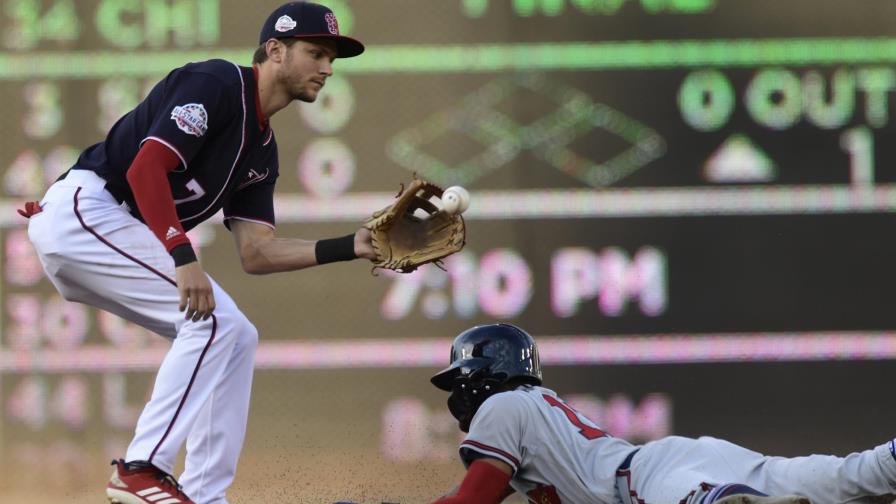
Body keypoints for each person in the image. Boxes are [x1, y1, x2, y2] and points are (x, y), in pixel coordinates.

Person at [21, 2, 371, 503]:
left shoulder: (262, 150)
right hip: (86, 211)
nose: (327, 68)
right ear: (275, 50)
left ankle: (205, 495)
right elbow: (147, 170)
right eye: (315, 52)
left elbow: (258, 252)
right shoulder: (219, 84)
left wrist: (352, 247)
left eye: (332, 58)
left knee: (237, 335)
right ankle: (141, 468)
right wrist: (184, 257)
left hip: (109, 230)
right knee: (214, 323)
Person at [428, 323, 896, 504]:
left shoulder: (502, 405)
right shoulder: (531, 410)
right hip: (681, 463)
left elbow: (472, 500)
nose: (459, 392)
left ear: (486, 371)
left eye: (462, 377)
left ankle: (732, 503)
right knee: (844, 475)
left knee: (703, 503)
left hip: (645, 486)